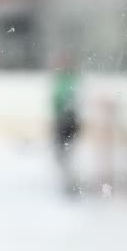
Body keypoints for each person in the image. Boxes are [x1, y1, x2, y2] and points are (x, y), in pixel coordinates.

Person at [51, 54, 81, 194]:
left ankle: (71, 183)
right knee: (62, 155)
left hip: (67, 123)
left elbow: (67, 103)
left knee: (64, 155)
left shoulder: (70, 80)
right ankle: (69, 182)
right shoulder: (63, 80)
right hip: (65, 123)